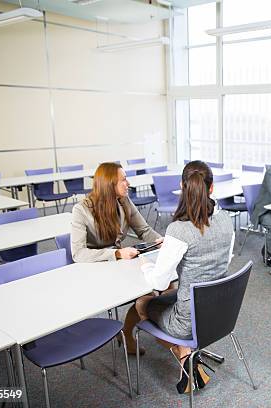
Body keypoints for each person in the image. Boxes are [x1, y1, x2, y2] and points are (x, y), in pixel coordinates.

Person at [137, 160, 235, 394]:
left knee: (142, 303)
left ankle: (185, 358)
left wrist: (145, 265)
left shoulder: (178, 230)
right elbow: (224, 262)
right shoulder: (226, 220)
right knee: (173, 293)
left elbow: (158, 283)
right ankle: (191, 356)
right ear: (211, 188)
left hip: (188, 322)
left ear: (182, 186)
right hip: (219, 313)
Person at [71, 162, 163, 355]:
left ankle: (126, 331)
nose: (128, 183)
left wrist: (160, 241)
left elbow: (144, 230)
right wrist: (116, 253)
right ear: (109, 184)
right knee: (149, 293)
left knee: (155, 289)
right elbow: (78, 253)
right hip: (95, 267)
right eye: (123, 179)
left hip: (121, 264)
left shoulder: (123, 201)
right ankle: (132, 334)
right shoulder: (81, 210)